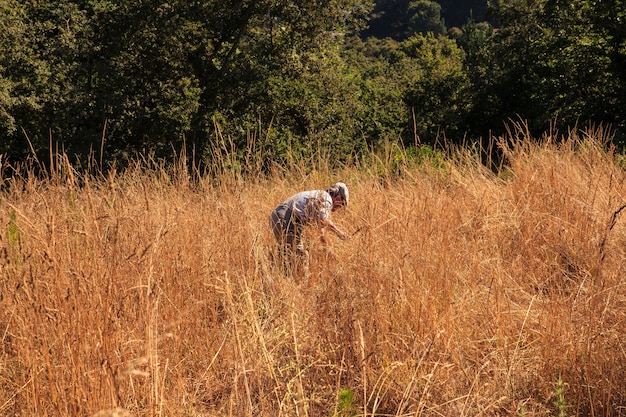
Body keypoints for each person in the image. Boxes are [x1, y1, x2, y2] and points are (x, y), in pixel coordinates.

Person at [269, 182, 350, 272]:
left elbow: (321, 231)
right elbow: (323, 220)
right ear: (337, 198)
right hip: (286, 218)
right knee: (301, 257)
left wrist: (328, 251)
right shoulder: (326, 199)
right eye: (341, 205)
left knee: (286, 255)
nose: (339, 208)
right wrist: (340, 233)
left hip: (278, 216)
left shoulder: (319, 196)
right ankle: (298, 283)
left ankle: (282, 278)